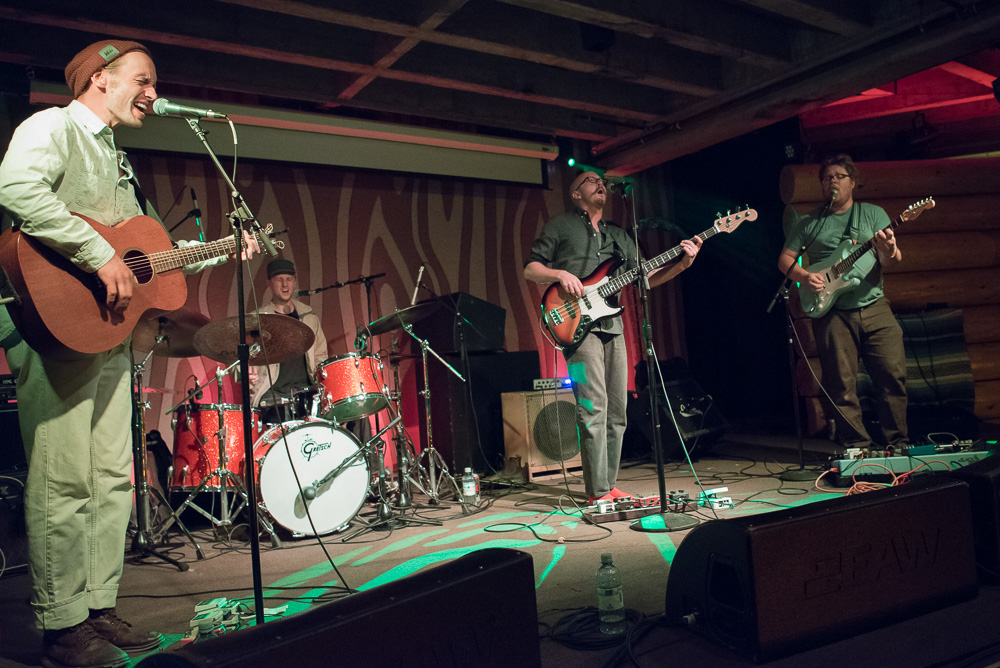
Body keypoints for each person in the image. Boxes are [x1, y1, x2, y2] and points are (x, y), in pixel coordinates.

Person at [0, 40, 256, 668]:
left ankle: (96, 606)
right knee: (64, 476)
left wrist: (220, 249)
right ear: (100, 79)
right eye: (143, 80)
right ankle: (62, 626)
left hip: (106, 330)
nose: (153, 93)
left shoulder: (118, 158)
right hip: (51, 324)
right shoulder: (52, 127)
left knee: (113, 475)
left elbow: (144, 260)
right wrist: (97, 255)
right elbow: (17, 189)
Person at [524, 171, 701, 504]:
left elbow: (646, 277)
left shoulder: (618, 235)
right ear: (576, 194)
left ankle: (608, 484)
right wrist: (560, 274)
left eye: (601, 181)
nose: (600, 184)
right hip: (575, 328)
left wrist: (682, 264)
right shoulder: (561, 226)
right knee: (593, 407)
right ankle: (597, 492)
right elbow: (530, 268)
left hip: (612, 327)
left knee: (618, 410)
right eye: (591, 180)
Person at [778, 153, 907, 450]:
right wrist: (804, 277)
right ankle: (857, 446)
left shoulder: (872, 214)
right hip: (832, 311)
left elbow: (891, 260)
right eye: (827, 178)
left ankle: (898, 443)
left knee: (892, 375)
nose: (832, 182)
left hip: (874, 306)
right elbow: (785, 260)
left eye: (839, 176)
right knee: (840, 384)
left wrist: (889, 248)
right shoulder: (810, 222)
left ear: (852, 182)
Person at [246, 258, 329, 424]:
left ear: (295, 282)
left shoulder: (309, 317)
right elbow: (236, 357)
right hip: (272, 394)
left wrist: (323, 383)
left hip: (307, 392)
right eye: (279, 280)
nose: (285, 285)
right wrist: (245, 371)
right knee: (281, 416)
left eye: (289, 279)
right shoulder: (257, 319)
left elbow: (321, 355)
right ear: (269, 283)